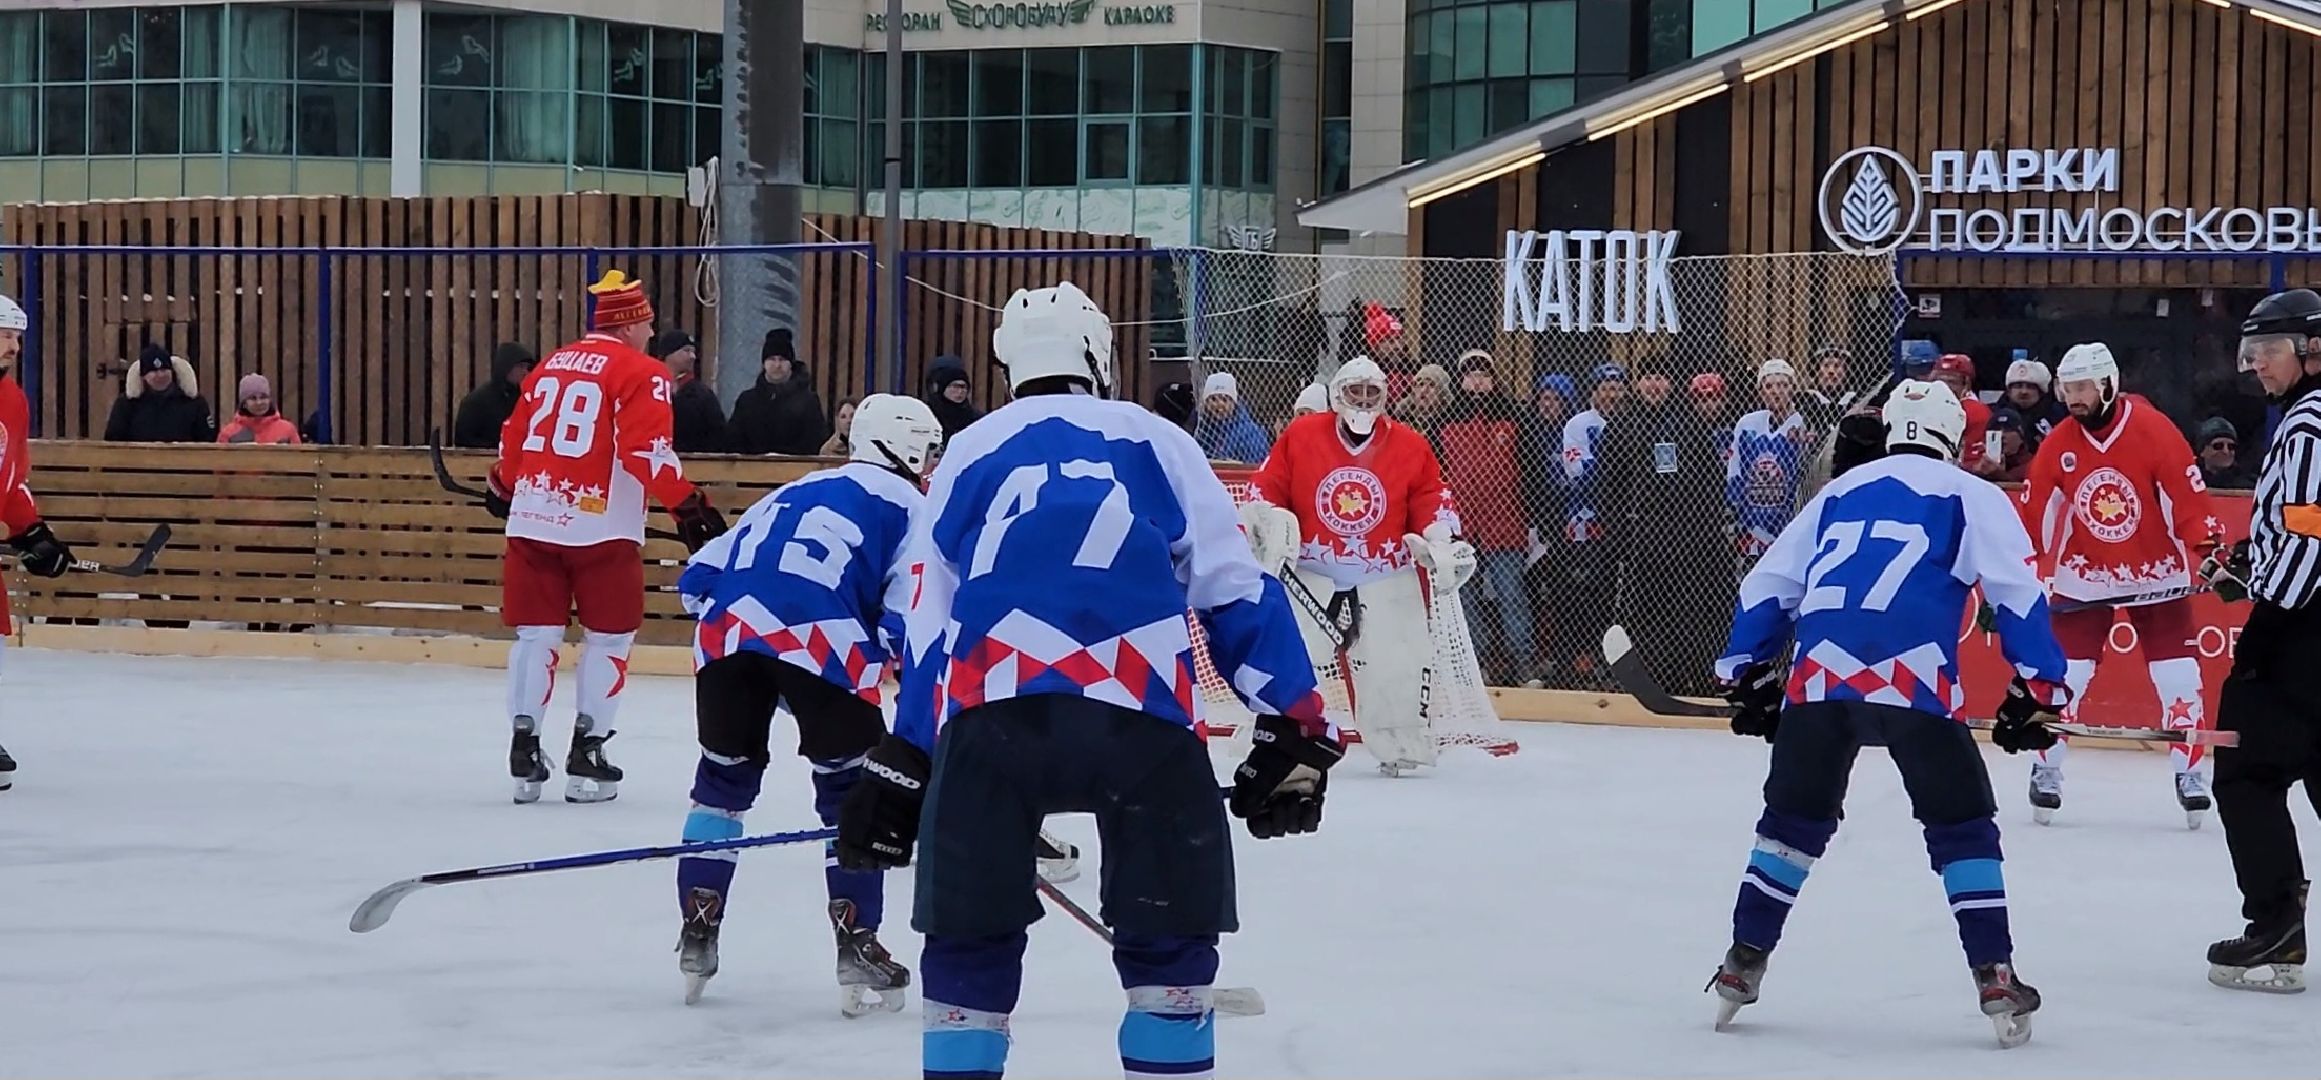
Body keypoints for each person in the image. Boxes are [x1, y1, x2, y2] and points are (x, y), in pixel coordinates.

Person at [831, 282, 1341, 1080]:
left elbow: (931, 621)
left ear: (1008, 369)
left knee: (968, 946)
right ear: (1098, 358)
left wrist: (906, 757)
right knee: (1170, 951)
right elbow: (1232, 586)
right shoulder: (1157, 438)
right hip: (1140, 717)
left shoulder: (969, 447)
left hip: (993, 715)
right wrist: (1295, 722)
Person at [1709, 378, 2066, 1048]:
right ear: (1949, 437)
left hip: (1818, 679)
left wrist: (1743, 671)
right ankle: (1993, 973)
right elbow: (2017, 592)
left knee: (1789, 825)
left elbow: (1769, 584)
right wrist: (2039, 688)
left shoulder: (1837, 493)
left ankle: (1740, 963)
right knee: (1961, 827)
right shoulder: (1973, 494)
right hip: (1917, 684)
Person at [673, 393, 944, 1014]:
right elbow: (907, 610)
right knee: (851, 795)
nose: (930, 464)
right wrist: (884, 658)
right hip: (823, 637)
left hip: (726, 631)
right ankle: (858, 941)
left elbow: (698, 577)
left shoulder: (792, 490)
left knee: (721, 784)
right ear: (905, 448)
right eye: (927, 450)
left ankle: (698, 926)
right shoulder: (912, 506)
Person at [485, 270, 729, 804]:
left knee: (536, 637)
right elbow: (645, 451)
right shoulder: (641, 372)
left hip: (532, 519)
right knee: (609, 639)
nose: (650, 330)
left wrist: (504, 484)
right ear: (630, 324)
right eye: (645, 321)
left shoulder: (550, 364)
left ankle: (524, 747)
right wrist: (688, 506)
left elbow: (514, 438)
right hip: (603, 528)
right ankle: (588, 751)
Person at [2016, 342, 2220, 826]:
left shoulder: (2155, 431)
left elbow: (2188, 502)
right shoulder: (2059, 443)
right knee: (2066, 678)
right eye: (2067, 389)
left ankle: (2189, 773)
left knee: (2179, 680)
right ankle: (2046, 768)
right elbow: (2035, 517)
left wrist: (2211, 555)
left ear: (2107, 384)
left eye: (2083, 387)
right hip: (2086, 576)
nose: (2073, 398)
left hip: (2157, 577)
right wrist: (2012, 574)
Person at [1243, 353, 1474, 774]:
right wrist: (1267, 521)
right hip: (1311, 570)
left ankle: (1401, 741)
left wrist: (1441, 540)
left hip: (1384, 570)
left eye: (1372, 392)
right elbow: (1266, 487)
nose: (1364, 400)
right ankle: (1278, 731)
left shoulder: (1410, 444)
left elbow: (1430, 498)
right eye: (1355, 391)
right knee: (1291, 652)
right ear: (1337, 395)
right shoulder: (1301, 435)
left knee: (1398, 659)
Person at [2195, 287, 2321, 993]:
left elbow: (2310, 528)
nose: (2252, 367)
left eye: (2264, 351)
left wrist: (2267, 616)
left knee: (2244, 774)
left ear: (2308, 350)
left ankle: (2274, 926)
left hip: (2298, 633)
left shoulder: (2307, 424)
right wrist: (2249, 559)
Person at [1599, 357, 1734, 698]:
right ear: (1637, 384)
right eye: (1647, 378)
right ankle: (1657, 678)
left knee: (1690, 611)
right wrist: (1620, 533)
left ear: (1671, 384)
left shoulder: (1688, 423)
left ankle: (1699, 677)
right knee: (1647, 614)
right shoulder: (1621, 424)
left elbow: (1711, 479)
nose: (1654, 385)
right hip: (1643, 541)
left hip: (1689, 539)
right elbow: (1608, 485)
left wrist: (1706, 528)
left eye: (1660, 377)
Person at [0, 294, 76, 790]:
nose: (13, 347)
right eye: (5, 336)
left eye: (17, 339)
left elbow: (11, 478)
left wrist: (32, 531)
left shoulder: (12, 400)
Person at [1437, 352, 1534, 686]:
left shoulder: (1515, 418)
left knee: (1512, 595)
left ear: (1494, 379)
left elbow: (1530, 470)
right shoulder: (1445, 421)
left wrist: (1532, 518)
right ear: (1460, 380)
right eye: (1470, 374)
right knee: (1466, 600)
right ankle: (1473, 664)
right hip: (1461, 528)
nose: (1477, 381)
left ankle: (1523, 663)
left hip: (1505, 523)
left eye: (1483, 374)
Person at [1727, 359, 1811, 558]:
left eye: (1783, 385)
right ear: (1760, 391)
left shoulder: (1804, 424)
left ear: (1793, 389)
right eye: (1769, 386)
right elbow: (1735, 473)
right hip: (1752, 528)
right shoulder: (1748, 425)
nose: (1776, 391)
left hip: (1791, 525)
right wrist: (1738, 518)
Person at [728, 328, 829, 456]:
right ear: (764, 363)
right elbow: (733, 442)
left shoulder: (808, 402)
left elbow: (815, 442)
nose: (777, 365)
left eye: (782, 359)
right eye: (772, 359)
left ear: (790, 364)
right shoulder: (747, 401)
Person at [104, 344, 215, 443]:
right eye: (153, 371)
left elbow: (208, 440)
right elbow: (112, 442)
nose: (160, 375)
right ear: (143, 376)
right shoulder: (126, 405)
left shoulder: (194, 404)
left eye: (164, 370)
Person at [651, 330, 729, 454]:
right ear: (668, 354)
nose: (692, 357)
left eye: (693, 352)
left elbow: (719, 436)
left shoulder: (702, 394)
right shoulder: (649, 389)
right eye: (686, 351)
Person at [452, 342, 536, 449]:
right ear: (506, 367)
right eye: (520, 367)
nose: (525, 372)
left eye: (527, 368)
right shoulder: (476, 402)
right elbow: (464, 442)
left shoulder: (523, 399)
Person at [1933, 354, 1999, 476]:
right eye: (1940, 381)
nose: (1945, 387)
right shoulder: (1928, 405)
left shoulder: (1976, 411)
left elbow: (1974, 463)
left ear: (1966, 384)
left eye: (1951, 382)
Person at [1191, 372, 1271, 464]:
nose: (1219, 404)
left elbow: (1256, 464)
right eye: (1213, 399)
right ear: (1206, 403)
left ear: (1234, 403)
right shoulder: (1200, 429)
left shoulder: (1249, 432)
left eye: (1225, 399)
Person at [216, 374, 300, 444]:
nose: (259, 402)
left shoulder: (287, 430)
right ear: (244, 403)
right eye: (253, 398)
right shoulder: (228, 433)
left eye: (263, 397)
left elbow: (300, 460)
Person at [2003, 357, 2066, 442]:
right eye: (2018, 386)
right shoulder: (1994, 416)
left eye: (2030, 387)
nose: (2024, 391)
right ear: (2009, 391)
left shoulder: (2059, 419)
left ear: (2041, 392)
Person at [924, 355, 982, 437]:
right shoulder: (925, 416)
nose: (960, 392)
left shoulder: (976, 420)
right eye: (955, 387)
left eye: (964, 387)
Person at [2198, 416, 2253, 489]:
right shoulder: (2188, 482)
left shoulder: (2249, 485)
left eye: (2231, 447)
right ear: (2202, 451)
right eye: (2218, 446)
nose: (2226, 451)